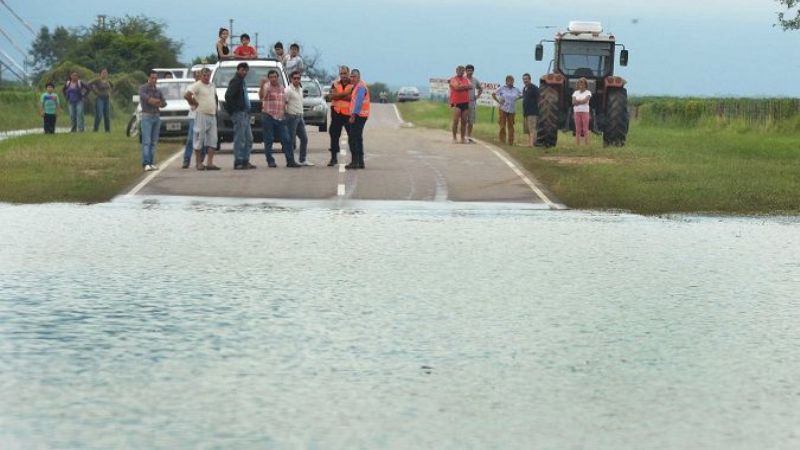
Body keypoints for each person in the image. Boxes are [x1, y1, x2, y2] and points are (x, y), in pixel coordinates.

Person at [259, 69, 300, 168]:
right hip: (268, 115)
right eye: (271, 77)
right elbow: (261, 96)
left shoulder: (282, 88)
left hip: (280, 117)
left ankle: (290, 160)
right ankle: (270, 161)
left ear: (278, 78)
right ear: (268, 78)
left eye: (275, 77)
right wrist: (261, 86)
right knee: (269, 139)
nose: (273, 79)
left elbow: (285, 101)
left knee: (286, 139)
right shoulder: (266, 86)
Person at [185, 67, 220, 170]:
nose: (206, 77)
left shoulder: (212, 85)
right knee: (199, 138)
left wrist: (216, 109)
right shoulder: (197, 85)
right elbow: (187, 95)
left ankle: (210, 162)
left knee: (213, 139)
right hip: (201, 114)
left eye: (208, 75)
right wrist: (194, 103)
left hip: (212, 114)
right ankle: (198, 162)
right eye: (204, 75)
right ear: (200, 76)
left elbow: (214, 98)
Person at [225, 62, 255, 170]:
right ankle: (238, 161)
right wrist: (234, 111)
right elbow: (228, 96)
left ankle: (245, 161)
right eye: (242, 70)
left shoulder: (242, 81)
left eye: (246, 70)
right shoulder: (236, 81)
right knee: (240, 138)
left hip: (245, 113)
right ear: (238, 70)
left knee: (249, 138)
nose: (244, 72)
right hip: (239, 113)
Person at [138, 70, 167, 171]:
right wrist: (156, 101)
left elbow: (164, 103)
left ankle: (151, 162)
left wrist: (157, 102)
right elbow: (149, 100)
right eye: (152, 78)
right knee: (147, 141)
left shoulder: (158, 91)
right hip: (147, 116)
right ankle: (146, 163)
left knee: (154, 141)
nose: (154, 80)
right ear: (148, 78)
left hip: (156, 116)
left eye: (156, 78)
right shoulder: (143, 88)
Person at [326, 65, 353, 166]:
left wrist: (338, 96)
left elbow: (351, 98)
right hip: (337, 112)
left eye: (345, 73)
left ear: (349, 73)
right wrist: (345, 94)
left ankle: (354, 159)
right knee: (333, 134)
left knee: (352, 136)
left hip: (348, 114)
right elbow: (332, 96)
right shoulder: (335, 84)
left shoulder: (353, 84)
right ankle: (333, 158)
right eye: (341, 73)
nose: (343, 75)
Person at [285, 70, 312, 166]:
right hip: (291, 116)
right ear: (291, 79)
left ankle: (302, 159)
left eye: (298, 78)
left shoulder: (300, 89)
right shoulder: (288, 90)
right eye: (295, 78)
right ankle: (290, 161)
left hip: (300, 116)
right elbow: (284, 103)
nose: (297, 80)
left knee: (304, 138)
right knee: (291, 140)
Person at [181, 70, 205, 169]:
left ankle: (200, 160)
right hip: (194, 116)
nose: (198, 77)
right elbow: (187, 96)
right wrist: (195, 103)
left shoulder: (206, 86)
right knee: (191, 139)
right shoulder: (191, 87)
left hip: (204, 115)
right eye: (197, 75)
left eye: (200, 75)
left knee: (203, 139)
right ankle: (186, 159)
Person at [346, 69, 370, 170]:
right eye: (351, 76)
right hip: (361, 115)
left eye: (354, 77)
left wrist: (353, 115)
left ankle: (355, 162)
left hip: (359, 116)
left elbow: (359, 102)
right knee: (358, 138)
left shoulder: (360, 87)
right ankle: (360, 162)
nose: (352, 78)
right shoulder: (357, 86)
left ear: (359, 77)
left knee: (353, 139)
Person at [492, 75, 522, 145]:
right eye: (508, 81)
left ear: (513, 82)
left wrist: (516, 98)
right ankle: (502, 140)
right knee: (502, 125)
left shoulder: (516, 89)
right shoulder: (502, 88)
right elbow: (493, 94)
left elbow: (522, 95)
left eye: (511, 81)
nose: (510, 82)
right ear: (506, 81)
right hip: (503, 109)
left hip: (512, 110)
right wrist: (498, 101)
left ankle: (510, 141)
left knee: (511, 126)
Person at [448, 65, 471, 144]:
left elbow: (470, 86)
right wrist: (465, 87)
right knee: (455, 120)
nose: (461, 71)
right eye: (459, 70)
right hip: (456, 102)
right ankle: (454, 138)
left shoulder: (466, 79)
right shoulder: (453, 79)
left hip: (465, 102)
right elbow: (456, 87)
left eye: (462, 70)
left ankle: (462, 138)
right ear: (456, 71)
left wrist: (461, 86)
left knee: (464, 121)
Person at [90, 68, 113, 132]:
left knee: (107, 115)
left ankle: (107, 130)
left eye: (106, 73)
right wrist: (95, 92)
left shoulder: (108, 81)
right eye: (103, 73)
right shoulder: (97, 80)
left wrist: (110, 92)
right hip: (99, 98)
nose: (105, 74)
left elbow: (112, 86)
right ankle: (95, 129)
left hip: (107, 99)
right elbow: (89, 84)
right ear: (100, 74)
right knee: (99, 114)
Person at [465, 64, 483, 143]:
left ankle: (469, 136)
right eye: (468, 70)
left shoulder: (475, 80)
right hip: (462, 103)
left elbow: (480, 88)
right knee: (463, 120)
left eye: (471, 70)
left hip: (472, 103)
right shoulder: (462, 79)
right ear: (465, 71)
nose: (469, 72)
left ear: (473, 71)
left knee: (471, 121)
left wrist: (477, 96)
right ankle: (463, 136)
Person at [521, 73, 539, 147]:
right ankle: (530, 143)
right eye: (524, 79)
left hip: (533, 112)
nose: (525, 80)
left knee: (532, 129)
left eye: (526, 79)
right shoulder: (524, 88)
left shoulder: (534, 88)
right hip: (526, 112)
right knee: (527, 129)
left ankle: (532, 144)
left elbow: (539, 97)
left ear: (530, 79)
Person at [572, 77, 592, 145]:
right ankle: (577, 144)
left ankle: (586, 144)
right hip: (577, 112)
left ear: (585, 85)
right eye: (579, 83)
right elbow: (573, 102)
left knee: (585, 129)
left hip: (585, 112)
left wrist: (578, 101)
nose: (581, 85)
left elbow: (585, 101)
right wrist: (581, 101)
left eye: (582, 83)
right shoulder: (575, 92)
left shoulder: (588, 92)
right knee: (578, 129)